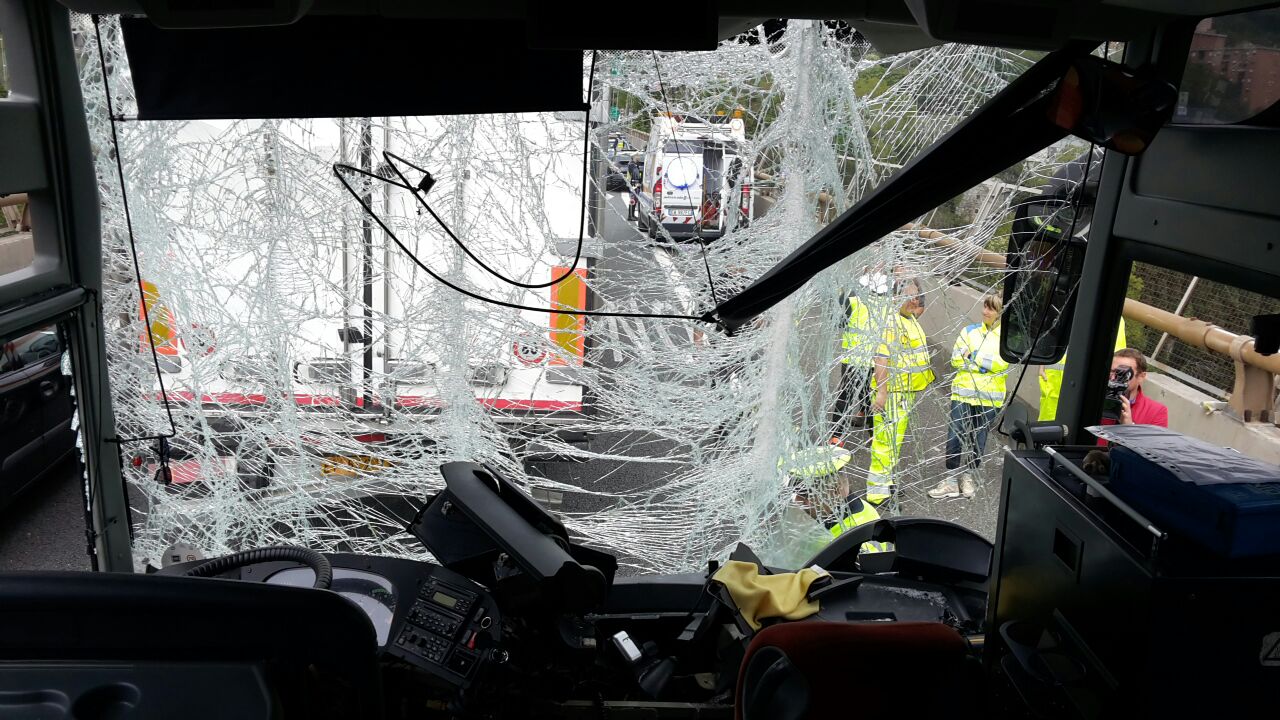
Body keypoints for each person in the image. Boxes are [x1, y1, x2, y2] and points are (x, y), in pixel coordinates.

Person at [929, 294, 1008, 500]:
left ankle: (969, 476)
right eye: (985, 306)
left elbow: (1001, 364)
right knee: (954, 436)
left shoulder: (1007, 339)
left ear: (1000, 313)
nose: (985, 311)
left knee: (978, 439)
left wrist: (972, 356)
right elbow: (956, 360)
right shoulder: (969, 331)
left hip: (989, 398)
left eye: (991, 309)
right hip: (963, 394)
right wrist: (983, 364)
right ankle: (951, 480)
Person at [866, 279, 934, 509]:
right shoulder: (890, 322)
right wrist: (882, 393)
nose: (914, 300)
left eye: (916, 296)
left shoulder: (909, 319)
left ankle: (887, 482)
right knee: (885, 442)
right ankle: (877, 493)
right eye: (909, 295)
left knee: (894, 442)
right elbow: (881, 359)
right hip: (893, 394)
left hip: (905, 393)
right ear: (895, 297)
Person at [833, 268, 891, 440]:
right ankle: (875, 437)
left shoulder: (851, 297)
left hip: (853, 357)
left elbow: (839, 322)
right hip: (877, 359)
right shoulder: (889, 301)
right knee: (870, 395)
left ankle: (837, 437)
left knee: (846, 395)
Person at [1039, 318, 1128, 421]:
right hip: (1052, 380)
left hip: (1081, 386)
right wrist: (1043, 361)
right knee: (1046, 422)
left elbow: (1117, 357)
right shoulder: (1066, 306)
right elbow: (1050, 337)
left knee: (1070, 428)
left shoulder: (1110, 314)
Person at [1101, 347, 1169, 430]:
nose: (1114, 377)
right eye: (1111, 371)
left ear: (1141, 377)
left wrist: (1129, 428)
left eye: (1123, 373)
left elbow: (1154, 442)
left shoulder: (1156, 411)